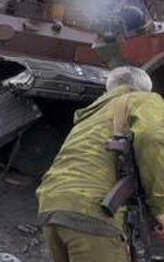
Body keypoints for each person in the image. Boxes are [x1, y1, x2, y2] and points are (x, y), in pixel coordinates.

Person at [37, 66, 164, 262]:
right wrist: (161, 208)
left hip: (52, 206)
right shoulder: (144, 99)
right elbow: (152, 137)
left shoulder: (89, 117)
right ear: (145, 88)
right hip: (93, 210)